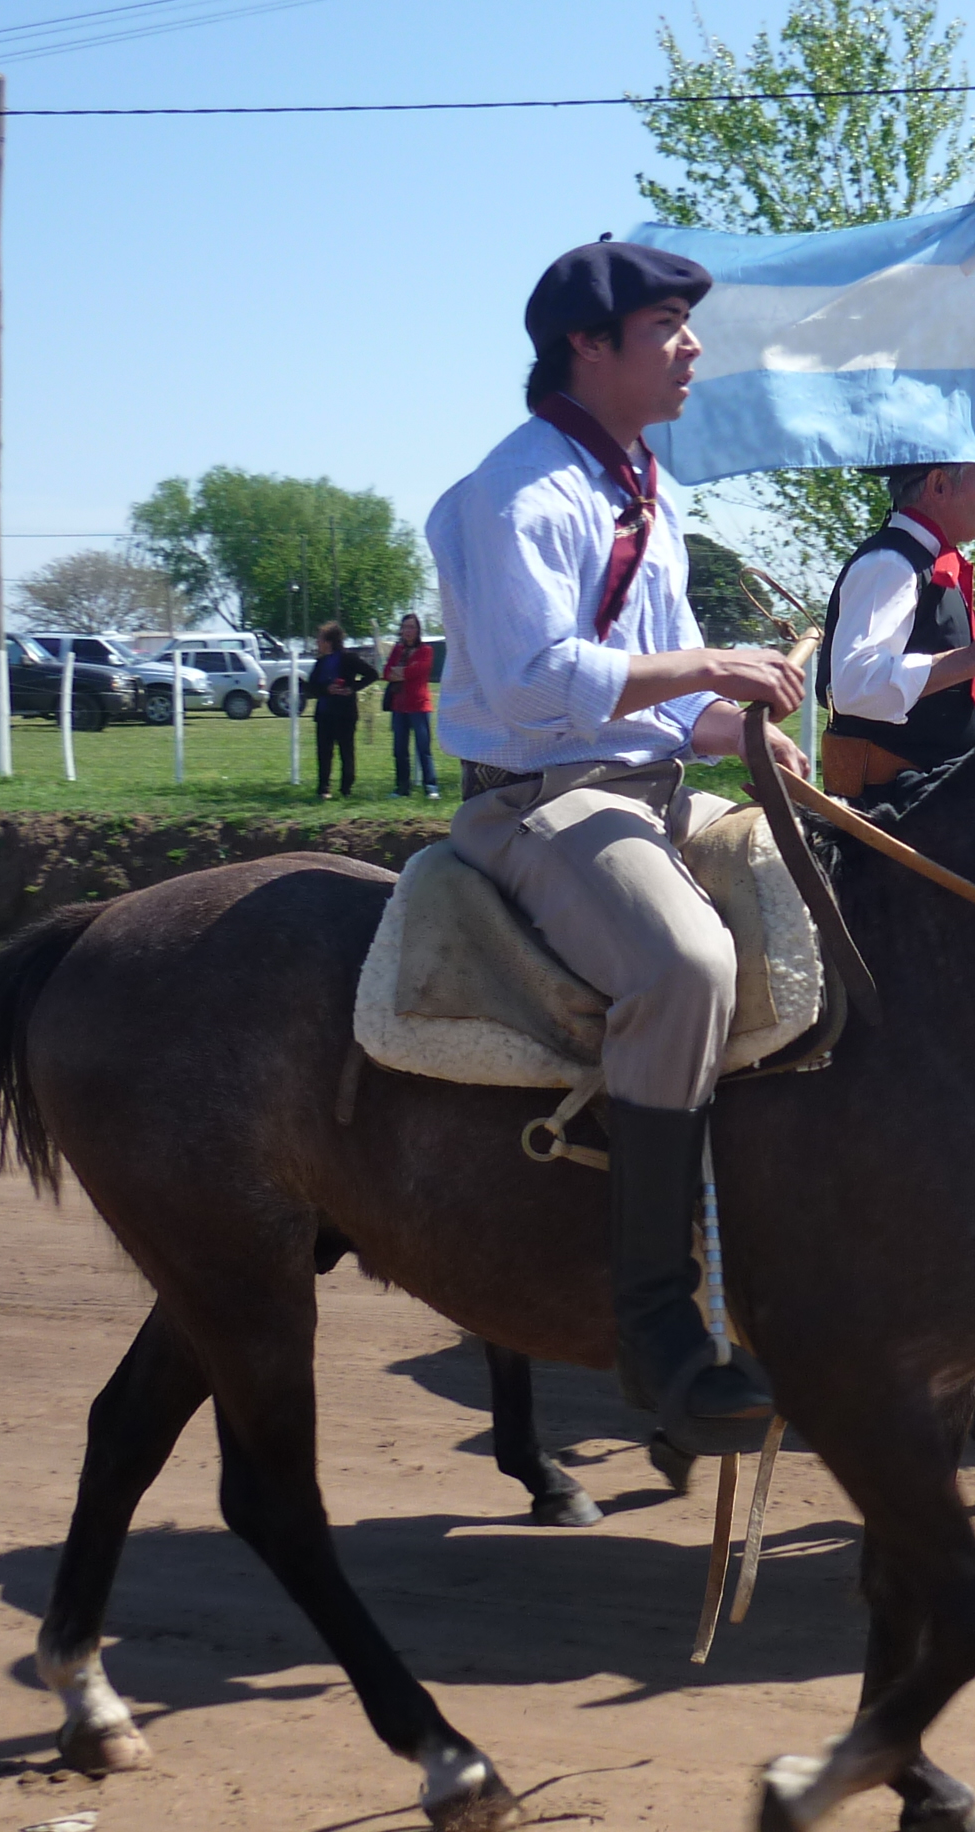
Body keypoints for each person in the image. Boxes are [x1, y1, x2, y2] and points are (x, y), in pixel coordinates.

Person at [426, 236, 806, 1455]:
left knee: (836, 904)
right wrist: (705, 668)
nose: (693, 348)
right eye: (667, 329)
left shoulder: (646, 488)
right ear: (589, 346)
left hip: (652, 788)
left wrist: (737, 731)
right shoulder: (513, 495)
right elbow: (543, 690)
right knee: (684, 967)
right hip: (539, 800)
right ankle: (654, 1324)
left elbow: (664, 695)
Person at [816, 461, 975, 799]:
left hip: (926, 801)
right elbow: (856, 685)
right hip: (889, 811)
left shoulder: (924, 563)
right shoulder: (891, 563)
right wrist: (974, 659)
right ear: (939, 486)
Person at [308, 622, 378, 801]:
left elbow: (372, 674)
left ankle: (346, 787)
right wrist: (326, 689)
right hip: (324, 714)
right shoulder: (320, 662)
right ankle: (323, 787)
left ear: (329, 641)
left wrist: (352, 688)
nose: (317, 643)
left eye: (320, 639)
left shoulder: (349, 658)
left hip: (345, 713)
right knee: (324, 751)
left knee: (346, 751)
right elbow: (311, 688)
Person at [381, 611, 440, 800]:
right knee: (400, 749)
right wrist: (401, 672)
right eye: (405, 627)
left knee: (423, 748)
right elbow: (386, 672)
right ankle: (402, 788)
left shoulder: (426, 650)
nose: (408, 631)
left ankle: (431, 787)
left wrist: (402, 671)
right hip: (399, 706)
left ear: (418, 630)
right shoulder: (397, 650)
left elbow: (418, 671)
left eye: (411, 627)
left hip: (419, 706)